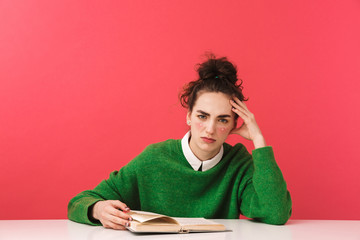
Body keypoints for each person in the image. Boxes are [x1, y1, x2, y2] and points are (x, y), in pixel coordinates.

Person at [67, 54, 292, 230]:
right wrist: (97, 209)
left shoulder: (238, 163)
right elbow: (79, 202)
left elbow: (276, 213)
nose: (210, 129)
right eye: (202, 116)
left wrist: (259, 141)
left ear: (234, 125)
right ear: (188, 116)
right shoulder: (154, 158)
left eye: (222, 120)